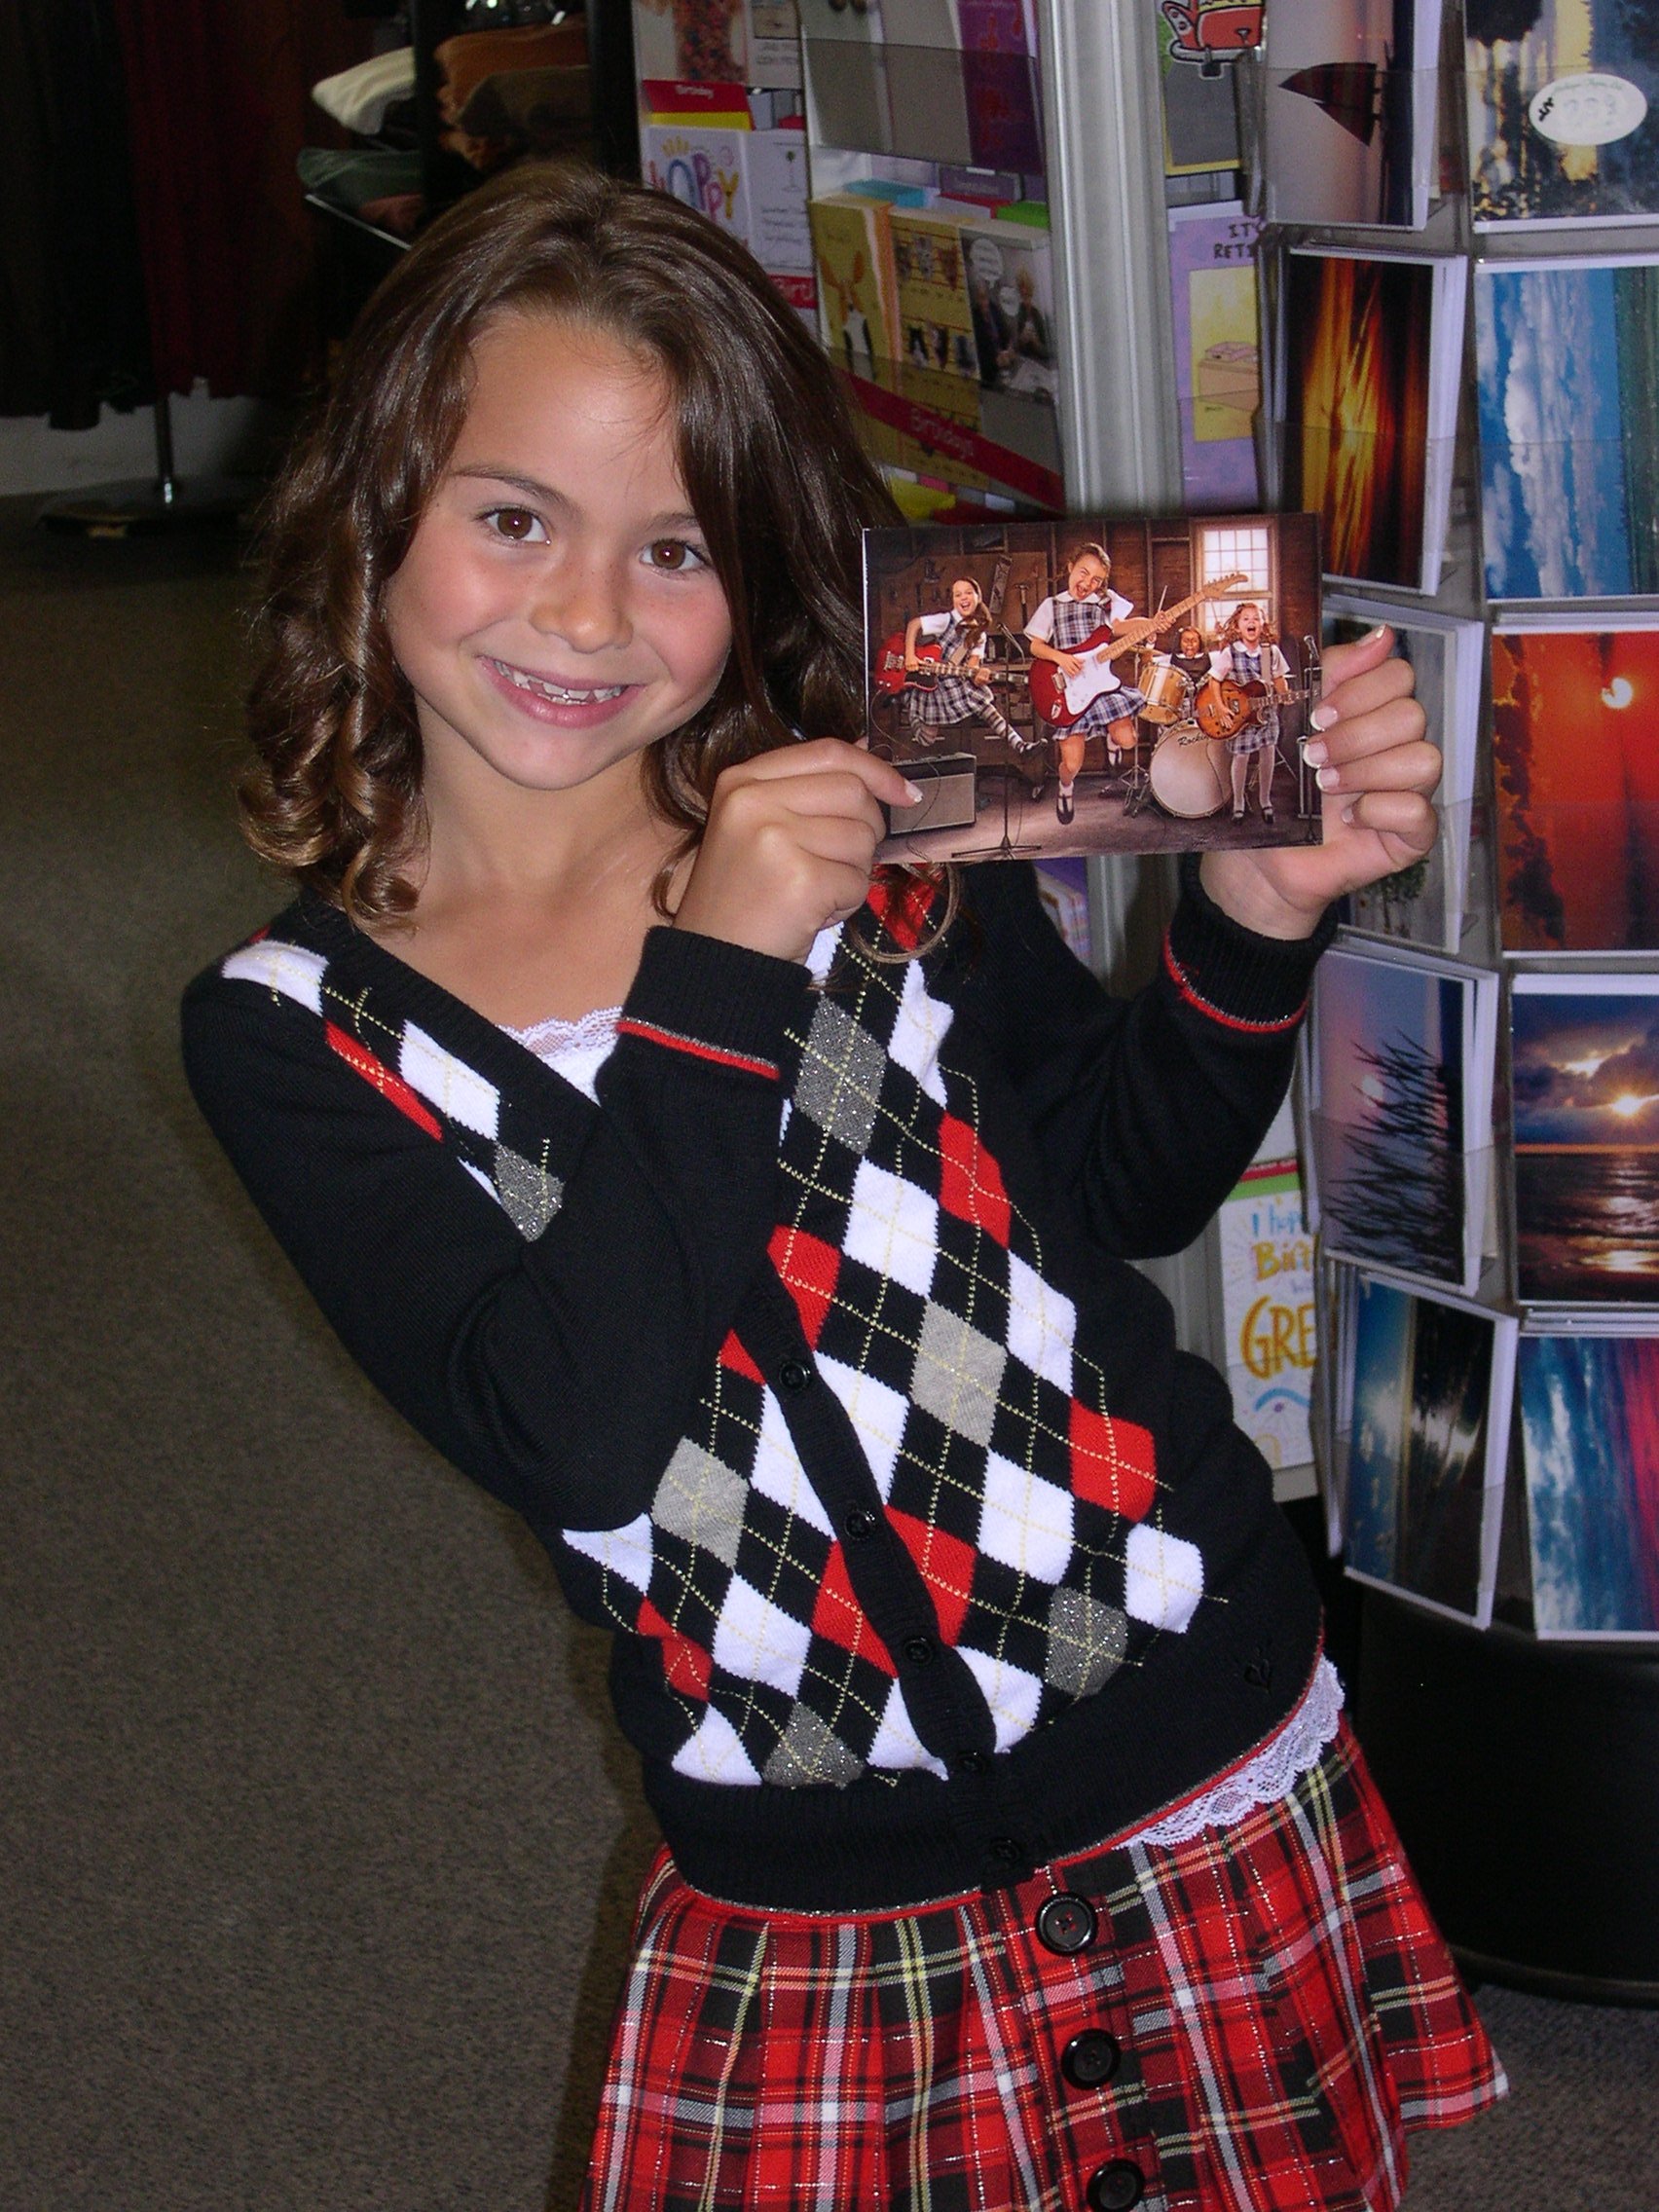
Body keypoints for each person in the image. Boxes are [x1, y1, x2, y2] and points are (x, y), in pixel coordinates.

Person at [181, 162, 1497, 2211]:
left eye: (679, 545)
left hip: (1198, 1732)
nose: (589, 614)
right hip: (821, 1873)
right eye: (514, 517)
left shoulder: (874, 830)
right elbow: (575, 1421)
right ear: (375, 511)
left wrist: (1247, 921)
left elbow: (1122, 1182)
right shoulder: (294, 1027)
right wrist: (719, 971)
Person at [1024, 542, 1150, 824]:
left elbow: (1120, 627)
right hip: (1072, 688)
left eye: (1096, 580)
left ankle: (1112, 739)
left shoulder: (1105, 603)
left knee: (1128, 741)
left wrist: (1152, 622)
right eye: (1083, 573)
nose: (1087, 583)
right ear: (1070, 567)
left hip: (1101, 685)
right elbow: (1035, 646)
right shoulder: (1052, 605)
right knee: (1071, 764)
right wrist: (1059, 657)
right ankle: (1065, 788)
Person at [902, 573, 1025, 755]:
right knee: (926, 739)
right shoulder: (946, 620)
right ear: (953, 600)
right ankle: (910, 705)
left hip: (952, 683)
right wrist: (910, 655)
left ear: (978, 597)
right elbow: (914, 625)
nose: (963, 598)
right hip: (929, 683)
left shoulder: (979, 633)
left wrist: (979, 676)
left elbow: (972, 667)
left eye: (968, 593)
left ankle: (1021, 745)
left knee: (983, 704)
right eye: (957, 595)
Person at [1212, 599, 1293, 823]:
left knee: (1268, 753)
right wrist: (1220, 708)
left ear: (1262, 624)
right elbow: (1214, 680)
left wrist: (1285, 693)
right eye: (1246, 619)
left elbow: (1278, 680)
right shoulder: (1230, 653)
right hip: (1242, 716)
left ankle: (1265, 801)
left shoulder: (1270, 652)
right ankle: (1238, 803)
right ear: (1238, 626)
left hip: (1266, 713)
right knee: (1241, 756)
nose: (1251, 622)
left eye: (1256, 618)